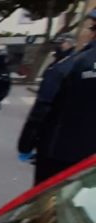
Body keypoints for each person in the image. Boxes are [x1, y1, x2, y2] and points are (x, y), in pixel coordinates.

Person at [19, 13, 96, 184]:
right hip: (91, 160)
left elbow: (44, 106)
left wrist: (27, 142)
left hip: (59, 151)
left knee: (46, 203)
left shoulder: (73, 63)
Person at [40, 10, 96, 176]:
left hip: (63, 151)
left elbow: (50, 104)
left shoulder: (79, 62)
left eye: (92, 28)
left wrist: (31, 138)